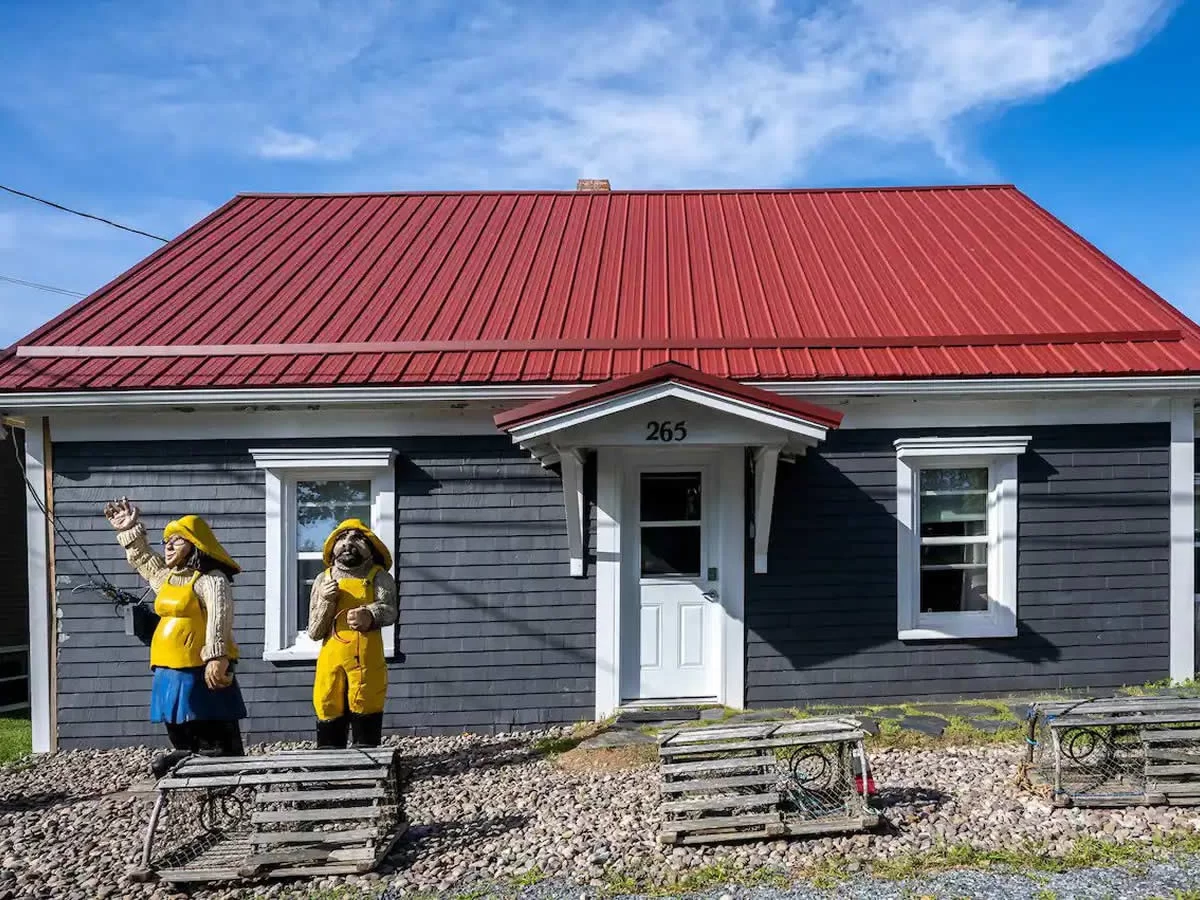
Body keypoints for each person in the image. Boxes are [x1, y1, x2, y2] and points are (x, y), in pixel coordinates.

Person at [103, 498, 246, 776]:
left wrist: (217, 656)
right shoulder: (167, 577)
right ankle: (187, 759)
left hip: (198, 667)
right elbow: (144, 559)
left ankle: (218, 765)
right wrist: (129, 530)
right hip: (167, 666)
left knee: (208, 718)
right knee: (175, 720)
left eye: (177, 540)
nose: (167, 545)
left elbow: (220, 616)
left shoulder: (210, 579)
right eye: (166, 540)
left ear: (195, 544)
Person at [308, 518, 397, 748]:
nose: (348, 544)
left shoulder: (379, 576)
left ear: (370, 548)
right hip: (332, 658)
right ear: (332, 547)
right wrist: (327, 601)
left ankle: (365, 753)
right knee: (327, 698)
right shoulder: (323, 579)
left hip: (366, 658)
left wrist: (370, 614)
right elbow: (315, 631)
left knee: (366, 700)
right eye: (342, 538)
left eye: (357, 538)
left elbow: (390, 610)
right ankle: (329, 756)